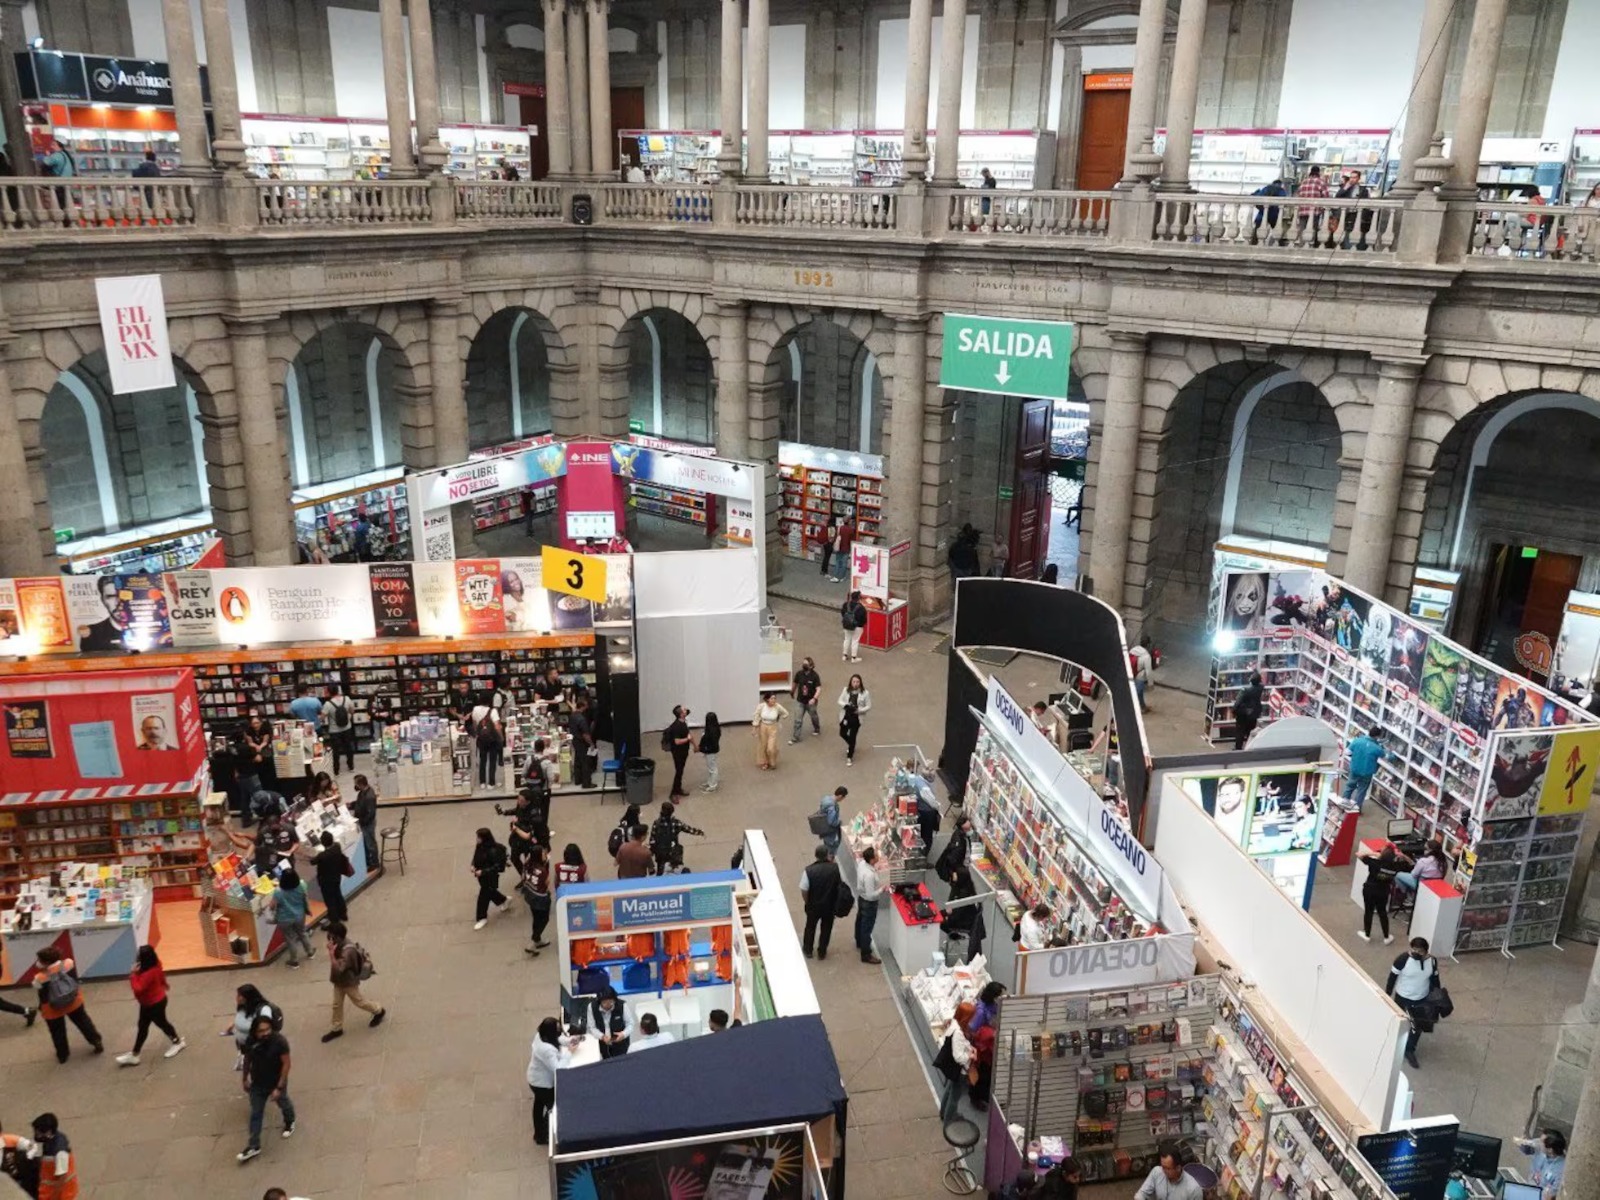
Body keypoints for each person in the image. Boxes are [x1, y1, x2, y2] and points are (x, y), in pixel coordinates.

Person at [110, 944, 185, 1066]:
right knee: (144, 1026)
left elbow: (138, 988)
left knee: (160, 1024)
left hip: (154, 1004)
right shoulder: (154, 965)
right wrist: (164, 984)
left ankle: (177, 1042)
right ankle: (135, 1054)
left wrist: (133, 974)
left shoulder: (149, 973)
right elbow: (160, 976)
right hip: (150, 1003)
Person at [236, 1015, 295, 1163]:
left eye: (268, 1029)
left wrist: (279, 1087)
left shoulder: (279, 1042)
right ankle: (254, 1145)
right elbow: (247, 1059)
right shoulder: (251, 1042)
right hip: (258, 1083)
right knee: (256, 1113)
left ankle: (290, 1120)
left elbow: (286, 1064)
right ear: (255, 1032)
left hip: (276, 1081)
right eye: (261, 1031)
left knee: (283, 1102)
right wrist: (245, 1078)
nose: (265, 1033)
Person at [32, 947, 101, 1064]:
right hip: (74, 1001)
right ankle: (96, 1041)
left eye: (39, 960)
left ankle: (62, 1054)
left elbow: (40, 991)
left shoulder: (39, 978)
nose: (38, 962)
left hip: (52, 1008)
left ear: (46, 962)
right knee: (83, 1022)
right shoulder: (68, 964)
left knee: (57, 1031)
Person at [320, 920, 386, 1043]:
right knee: (337, 1004)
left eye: (331, 935)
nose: (329, 938)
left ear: (338, 936)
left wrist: (331, 953)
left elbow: (339, 969)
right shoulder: (338, 943)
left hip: (348, 982)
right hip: (339, 981)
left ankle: (378, 1010)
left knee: (359, 1001)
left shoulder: (347, 951)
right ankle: (337, 1028)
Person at [1385, 936, 1440, 1070]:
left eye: (1419, 951)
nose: (1415, 953)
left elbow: (1435, 979)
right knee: (1399, 1024)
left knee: (1417, 1027)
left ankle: (1409, 1050)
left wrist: (1437, 997)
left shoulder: (1432, 961)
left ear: (1426, 951)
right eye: (1413, 949)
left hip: (1421, 998)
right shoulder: (1402, 960)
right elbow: (1392, 977)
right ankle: (1392, 1046)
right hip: (1402, 998)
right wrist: (1387, 994)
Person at [527, 1016, 569, 1145]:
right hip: (542, 1084)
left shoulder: (541, 1036)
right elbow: (557, 1068)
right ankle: (545, 1133)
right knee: (553, 1107)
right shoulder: (546, 1050)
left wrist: (568, 1041)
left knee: (539, 1105)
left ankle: (539, 1134)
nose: (559, 1031)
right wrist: (569, 1052)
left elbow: (557, 1038)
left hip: (535, 1079)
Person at [222, 985, 279, 1072]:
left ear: (248, 996)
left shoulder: (263, 1009)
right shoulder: (243, 1007)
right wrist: (234, 1025)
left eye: (239, 995)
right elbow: (243, 1019)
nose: (237, 998)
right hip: (245, 1048)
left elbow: (266, 1027)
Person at [799, 844, 842, 959]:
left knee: (810, 927)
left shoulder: (808, 871)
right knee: (826, 929)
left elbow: (804, 889)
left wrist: (807, 901)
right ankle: (822, 951)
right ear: (827, 855)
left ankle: (808, 950)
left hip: (813, 905)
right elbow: (838, 886)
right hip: (829, 905)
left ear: (816, 855)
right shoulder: (835, 868)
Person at [1358, 844, 1404, 944]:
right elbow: (1411, 864)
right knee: (1382, 912)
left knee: (1369, 911)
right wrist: (1402, 856)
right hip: (1383, 891)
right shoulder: (1396, 866)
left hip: (1369, 889)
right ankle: (1386, 937)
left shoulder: (1375, 863)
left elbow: (1359, 855)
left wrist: (1374, 853)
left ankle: (1367, 934)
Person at [270, 867, 315, 968]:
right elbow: (305, 897)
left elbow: (272, 906)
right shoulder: (302, 885)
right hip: (300, 915)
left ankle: (294, 960)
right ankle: (310, 952)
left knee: (290, 938)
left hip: (284, 918)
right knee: (303, 933)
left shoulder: (278, 892)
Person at [28, 1114, 77, 1200]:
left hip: (60, 1195)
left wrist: (54, 1198)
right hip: (49, 1191)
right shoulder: (53, 1138)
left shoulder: (59, 1152)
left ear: (48, 1132)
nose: (36, 1135)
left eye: (38, 1133)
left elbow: (62, 1178)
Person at [471, 826, 511, 930]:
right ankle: (504, 900)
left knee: (483, 897)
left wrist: (483, 871)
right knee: (490, 892)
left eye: (479, 837)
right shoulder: (480, 846)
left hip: (490, 877)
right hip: (481, 876)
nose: (477, 839)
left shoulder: (493, 851)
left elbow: (497, 866)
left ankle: (482, 917)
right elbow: (475, 856)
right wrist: (473, 865)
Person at [650, 802, 704, 875]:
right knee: (674, 867)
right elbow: (689, 829)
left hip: (660, 851)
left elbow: (652, 838)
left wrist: (652, 850)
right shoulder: (676, 823)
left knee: (661, 867)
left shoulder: (656, 823)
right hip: (673, 850)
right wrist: (700, 832)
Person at [1342, 726, 1389, 810]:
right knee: (1362, 790)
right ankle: (1356, 808)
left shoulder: (1358, 741)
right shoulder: (1377, 748)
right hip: (1367, 772)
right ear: (1377, 736)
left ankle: (1344, 802)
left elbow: (1347, 752)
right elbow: (1385, 756)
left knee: (1350, 785)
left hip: (1355, 768)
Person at [520, 842, 554, 954]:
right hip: (541, 898)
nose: (545, 855)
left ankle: (537, 939)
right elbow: (547, 882)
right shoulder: (542, 871)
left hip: (530, 895)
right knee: (544, 919)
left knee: (536, 918)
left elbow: (523, 877)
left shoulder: (527, 864)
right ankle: (534, 941)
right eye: (543, 853)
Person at [1133, 1146, 1203, 1200]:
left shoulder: (1193, 1190)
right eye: (1163, 1166)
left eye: (1168, 1168)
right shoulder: (1157, 1172)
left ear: (1178, 1168)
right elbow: (1142, 1193)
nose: (1164, 1171)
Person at [1514, 1130, 1566, 1199]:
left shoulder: (1561, 1171)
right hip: (1527, 1188)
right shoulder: (1540, 1149)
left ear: (1550, 1150)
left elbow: (1550, 1196)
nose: (1538, 1142)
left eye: (1541, 1142)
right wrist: (1521, 1142)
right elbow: (1526, 1147)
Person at [313, 831, 352, 924]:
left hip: (326, 881)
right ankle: (343, 914)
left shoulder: (322, 856)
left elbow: (312, 861)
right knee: (338, 895)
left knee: (330, 901)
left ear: (323, 843)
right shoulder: (337, 847)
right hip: (336, 877)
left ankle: (334, 920)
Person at [855, 845, 883, 965]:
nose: (878, 856)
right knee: (867, 927)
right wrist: (882, 889)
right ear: (871, 860)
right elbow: (871, 895)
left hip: (861, 898)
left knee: (860, 921)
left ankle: (859, 941)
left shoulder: (862, 864)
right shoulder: (870, 876)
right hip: (869, 903)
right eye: (876, 855)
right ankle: (866, 954)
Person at [322, 684, 357, 774]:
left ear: (329, 692)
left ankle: (336, 770)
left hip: (334, 731)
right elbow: (352, 711)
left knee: (336, 751)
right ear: (338, 690)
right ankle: (351, 766)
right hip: (347, 728)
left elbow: (322, 717)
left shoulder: (328, 704)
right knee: (348, 748)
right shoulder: (347, 699)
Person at [590, 986, 632, 1058]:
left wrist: (623, 1034)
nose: (608, 1005)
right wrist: (602, 1036)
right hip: (603, 1044)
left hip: (621, 1044)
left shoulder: (622, 1005)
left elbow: (630, 1024)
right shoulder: (592, 1007)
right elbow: (592, 1027)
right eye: (604, 1003)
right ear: (599, 1001)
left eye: (611, 1002)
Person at [838, 673, 871, 766]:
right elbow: (840, 700)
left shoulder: (865, 693)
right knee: (842, 733)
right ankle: (851, 744)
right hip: (846, 716)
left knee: (853, 736)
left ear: (860, 683)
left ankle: (849, 756)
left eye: (857, 682)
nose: (855, 684)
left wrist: (859, 710)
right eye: (854, 682)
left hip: (856, 718)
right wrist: (846, 705)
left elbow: (868, 706)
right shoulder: (846, 690)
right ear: (851, 682)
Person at [349, 774, 379, 869]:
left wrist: (361, 822)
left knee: (370, 844)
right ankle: (368, 861)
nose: (355, 786)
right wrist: (351, 805)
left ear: (360, 784)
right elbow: (360, 803)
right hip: (363, 822)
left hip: (367, 824)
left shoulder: (369, 796)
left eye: (356, 784)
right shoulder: (362, 792)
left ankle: (374, 863)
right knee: (366, 843)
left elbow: (371, 814)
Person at [790, 657, 822, 742]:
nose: (804, 665)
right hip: (800, 701)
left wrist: (814, 699)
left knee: (813, 716)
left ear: (811, 666)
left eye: (806, 664)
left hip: (811, 702)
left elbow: (818, 689)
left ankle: (817, 728)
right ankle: (796, 737)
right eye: (803, 663)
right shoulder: (799, 674)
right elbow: (795, 684)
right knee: (798, 719)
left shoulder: (815, 676)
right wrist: (792, 692)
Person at [665, 704, 694, 798]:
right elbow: (677, 741)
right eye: (684, 710)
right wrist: (688, 739)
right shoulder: (677, 726)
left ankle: (678, 789)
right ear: (681, 714)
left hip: (683, 751)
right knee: (679, 771)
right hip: (678, 753)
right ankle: (673, 793)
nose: (686, 710)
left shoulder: (682, 722)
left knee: (680, 771)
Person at [753, 692, 787, 769]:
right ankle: (765, 762)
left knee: (771, 747)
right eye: (772, 698)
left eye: (775, 698)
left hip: (773, 727)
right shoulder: (761, 706)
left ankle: (772, 761)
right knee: (763, 745)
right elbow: (756, 716)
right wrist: (754, 728)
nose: (774, 700)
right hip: (763, 726)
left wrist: (779, 719)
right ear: (767, 699)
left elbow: (785, 713)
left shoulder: (777, 706)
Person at [568, 696, 596, 788]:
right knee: (586, 762)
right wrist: (591, 744)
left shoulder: (572, 716)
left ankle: (578, 779)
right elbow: (585, 735)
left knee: (577, 760)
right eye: (586, 705)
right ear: (582, 706)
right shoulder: (582, 719)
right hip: (582, 742)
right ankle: (586, 783)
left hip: (575, 740)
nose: (587, 707)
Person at [475, 704, 505, 789]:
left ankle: (482, 782)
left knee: (482, 761)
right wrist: (501, 737)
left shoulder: (476, 710)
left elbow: (475, 725)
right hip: (492, 740)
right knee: (492, 761)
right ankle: (491, 783)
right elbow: (497, 726)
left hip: (482, 740)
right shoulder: (493, 711)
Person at [936, 813, 972, 884]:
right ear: (963, 827)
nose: (971, 829)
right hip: (960, 868)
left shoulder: (961, 834)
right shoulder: (959, 843)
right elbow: (952, 859)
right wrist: (954, 872)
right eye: (969, 828)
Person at [1231, 673, 1263, 750]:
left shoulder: (1245, 690)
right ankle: (1249, 747)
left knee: (1240, 732)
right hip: (1254, 714)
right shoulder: (1260, 688)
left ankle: (1238, 748)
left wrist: (1234, 711)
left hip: (1243, 714)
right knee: (1250, 732)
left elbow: (1237, 703)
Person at [816, 787, 845, 855]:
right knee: (831, 850)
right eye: (843, 798)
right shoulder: (832, 807)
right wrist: (839, 822)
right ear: (840, 796)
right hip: (830, 834)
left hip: (824, 829)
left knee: (826, 846)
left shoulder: (826, 798)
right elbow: (831, 822)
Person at [840, 590, 868, 662]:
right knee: (855, 641)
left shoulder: (846, 604)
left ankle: (844, 655)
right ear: (858, 598)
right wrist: (860, 624)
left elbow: (842, 613)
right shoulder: (861, 608)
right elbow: (864, 619)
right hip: (857, 626)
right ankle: (854, 658)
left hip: (847, 625)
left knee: (847, 639)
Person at [698, 711, 722, 792]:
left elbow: (711, 742)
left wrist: (704, 748)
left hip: (710, 751)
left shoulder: (712, 731)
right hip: (709, 750)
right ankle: (710, 782)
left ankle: (713, 785)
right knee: (710, 767)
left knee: (713, 768)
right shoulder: (713, 728)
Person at [1130, 635, 1154, 712]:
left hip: (1130, 672)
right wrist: (1150, 684)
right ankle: (1135, 710)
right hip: (1139, 676)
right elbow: (1148, 671)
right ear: (1148, 644)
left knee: (1139, 692)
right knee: (1138, 692)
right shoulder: (1146, 656)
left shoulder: (1133, 649)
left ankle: (1143, 707)